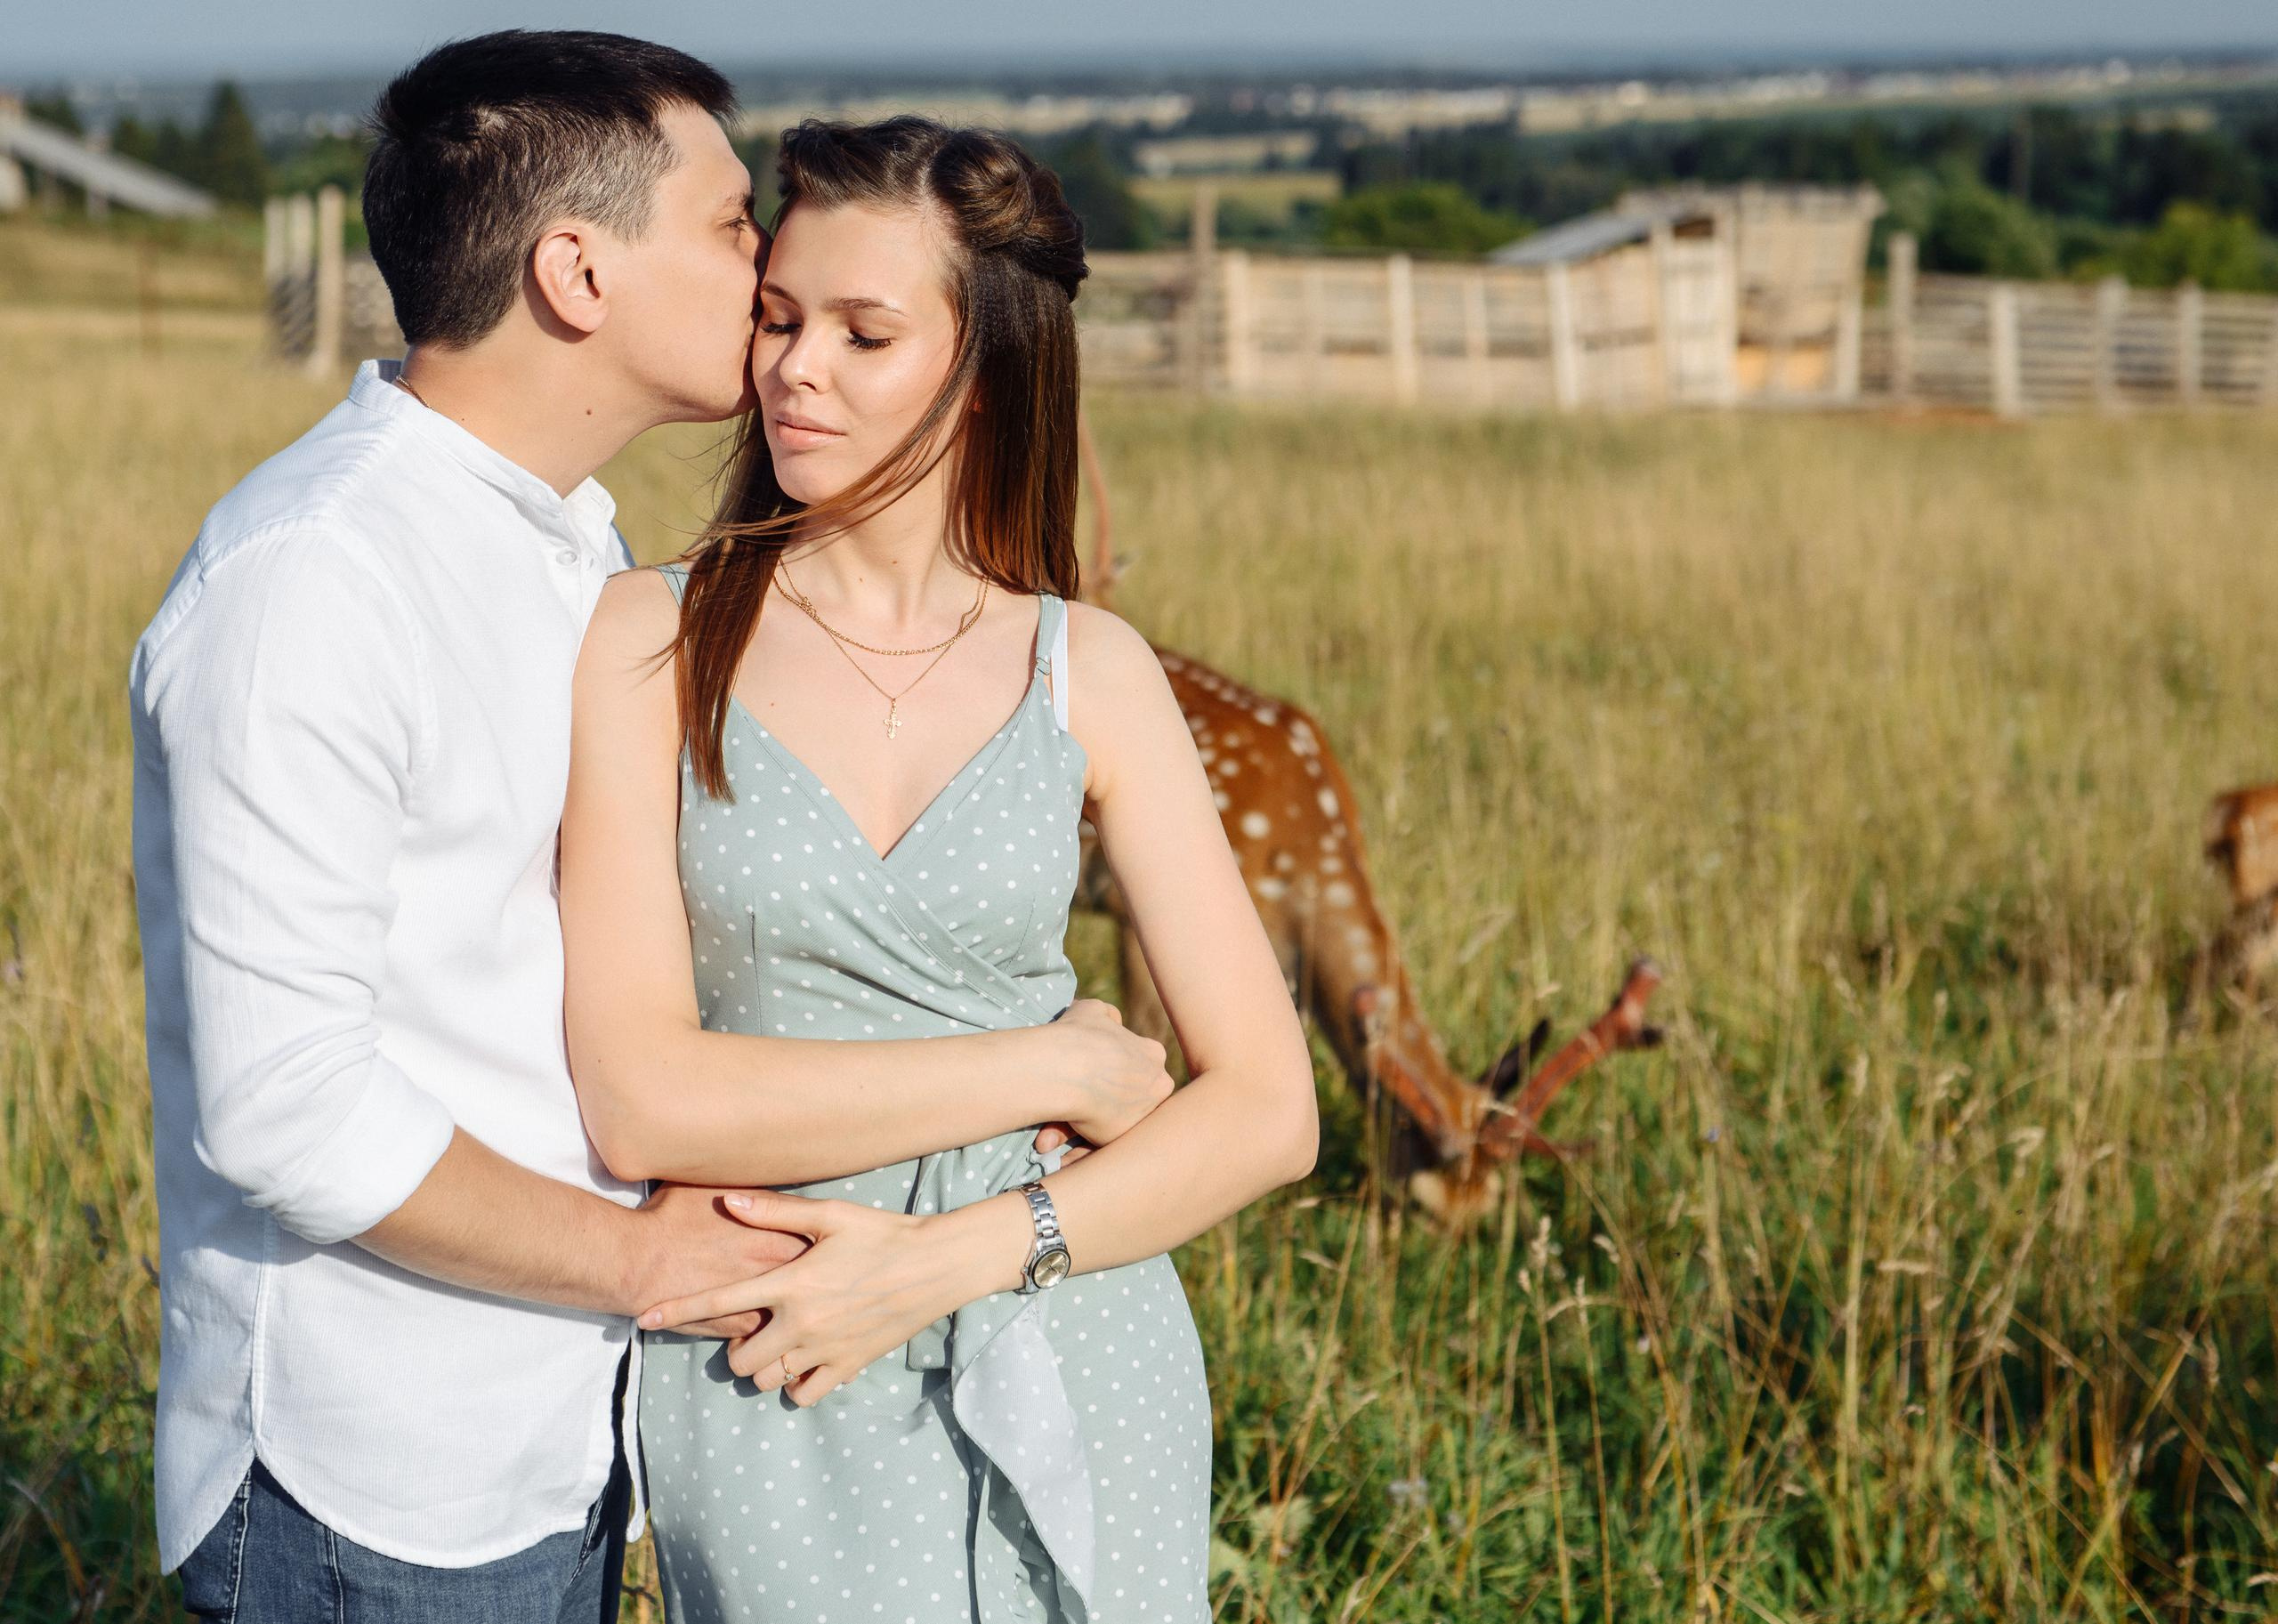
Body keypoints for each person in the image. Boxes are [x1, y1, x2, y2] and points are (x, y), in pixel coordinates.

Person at [130, 35, 1168, 1622]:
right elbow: (284, 1110)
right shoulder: (313, 581)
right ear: (576, 272)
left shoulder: (570, 546)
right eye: (731, 226)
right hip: (383, 1471)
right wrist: (641, 1264)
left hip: (574, 1431)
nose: (764, 272)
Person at [561, 116, 1321, 1623]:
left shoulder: (1084, 669)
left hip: (1070, 1315)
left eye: (864, 331)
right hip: (780, 1353)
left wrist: (957, 1255)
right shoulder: (651, 637)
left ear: (988, 365)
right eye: (780, 316)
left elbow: (1268, 1108)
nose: (794, 367)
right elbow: (643, 1092)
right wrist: (1051, 1063)